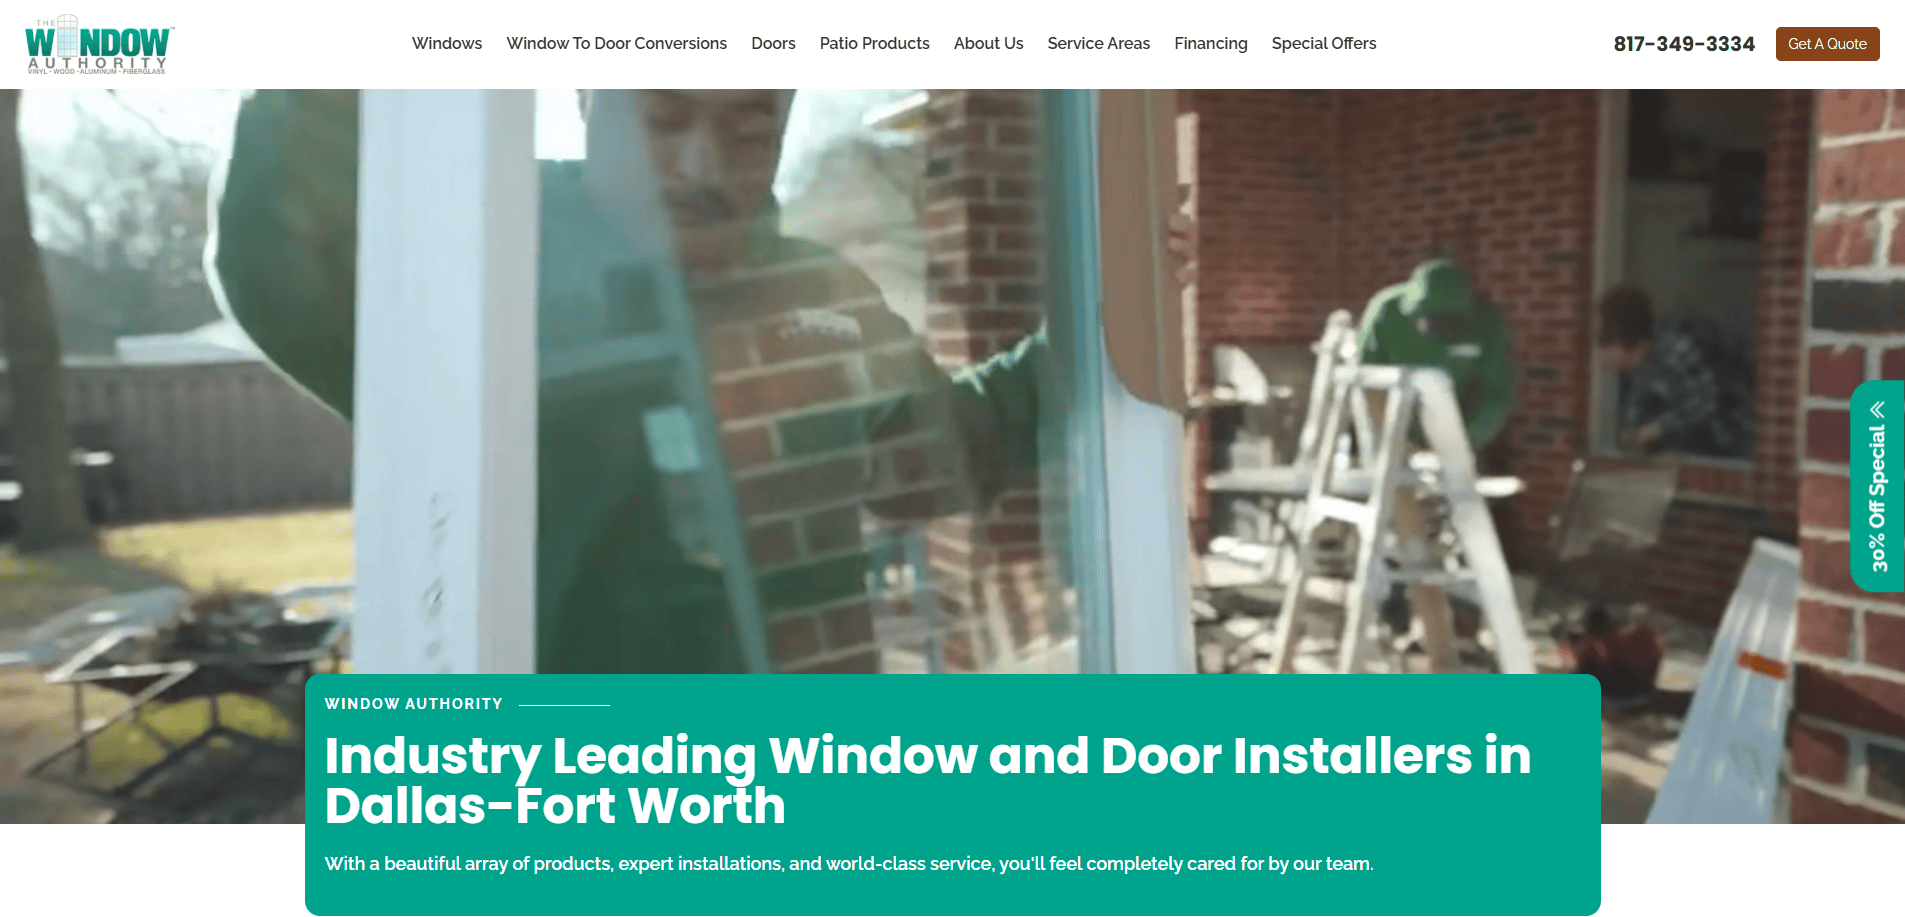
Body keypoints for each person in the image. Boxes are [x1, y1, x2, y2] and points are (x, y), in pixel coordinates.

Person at [210, 89, 1191, 675]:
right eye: (665, 116)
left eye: (748, 122)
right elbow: (275, 244)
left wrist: (1097, 332)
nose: (703, 161)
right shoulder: (479, 254)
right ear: (589, 95)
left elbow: (939, 459)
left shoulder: (817, 289)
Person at [1356, 259, 1517, 673]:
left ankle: (1482, 636)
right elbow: (1365, 387)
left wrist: (1462, 442)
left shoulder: (1486, 323)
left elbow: (1497, 392)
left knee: (1472, 538)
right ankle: (1440, 654)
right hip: (1395, 436)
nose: (1439, 329)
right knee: (1417, 545)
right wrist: (1394, 446)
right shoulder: (1387, 313)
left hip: (1455, 434)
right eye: (1431, 321)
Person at [1596, 285, 1753, 460]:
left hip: (1720, 453)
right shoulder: (1637, 372)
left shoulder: (1676, 350)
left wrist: (1658, 428)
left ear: (1624, 339)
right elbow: (1635, 417)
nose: (1603, 356)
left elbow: (1708, 400)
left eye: (1606, 342)